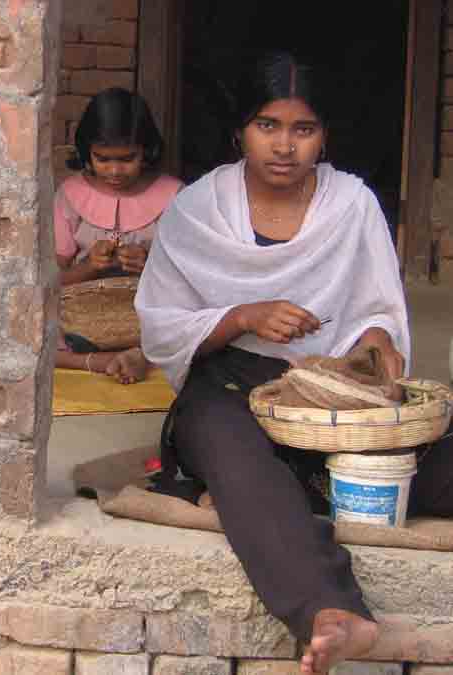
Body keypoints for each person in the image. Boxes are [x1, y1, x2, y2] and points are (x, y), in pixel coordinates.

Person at [135, 51, 453, 673]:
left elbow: (376, 312)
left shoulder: (352, 205)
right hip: (227, 388)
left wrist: (375, 348)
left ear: (323, 135)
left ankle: (309, 481)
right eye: (267, 126)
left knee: (433, 456)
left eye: (303, 129)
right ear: (240, 131)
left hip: (334, 393)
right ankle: (328, 609)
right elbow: (161, 326)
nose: (284, 146)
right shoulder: (198, 209)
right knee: (240, 466)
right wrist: (242, 317)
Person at [55, 87, 182, 385]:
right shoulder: (71, 194)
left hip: (149, 320)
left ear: (147, 150)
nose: (114, 171)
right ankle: (104, 360)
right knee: (28, 320)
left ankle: (133, 354)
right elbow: (51, 279)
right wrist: (89, 267)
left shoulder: (174, 195)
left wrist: (150, 264)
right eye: (102, 159)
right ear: (86, 151)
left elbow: (192, 278)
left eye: (127, 159)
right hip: (81, 321)